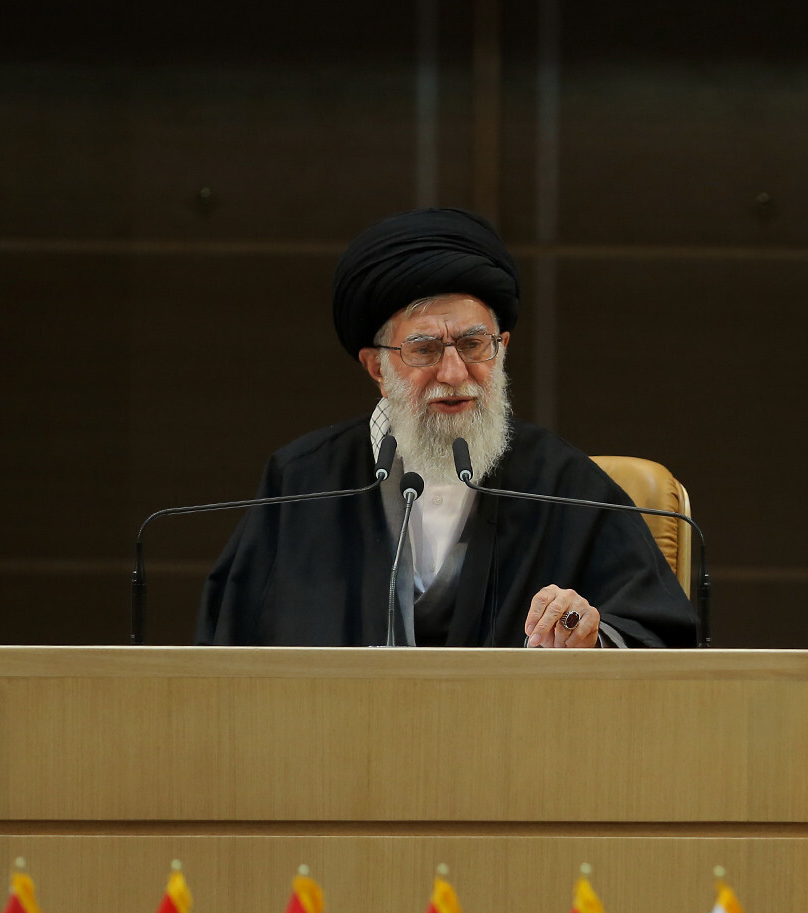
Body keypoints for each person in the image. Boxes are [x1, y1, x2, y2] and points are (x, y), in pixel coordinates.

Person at [197, 207, 696, 648]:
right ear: (377, 368)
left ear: (501, 348)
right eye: (424, 349)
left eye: (474, 345)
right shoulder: (302, 482)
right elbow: (229, 652)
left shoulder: (564, 483)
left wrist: (588, 636)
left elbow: (659, 639)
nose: (454, 374)